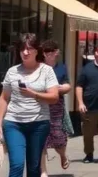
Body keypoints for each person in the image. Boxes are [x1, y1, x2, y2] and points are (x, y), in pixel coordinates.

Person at [0, 34, 60, 177]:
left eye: (29, 49)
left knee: (34, 167)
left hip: (39, 124)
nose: (25, 52)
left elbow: (54, 97)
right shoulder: (12, 71)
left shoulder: (46, 71)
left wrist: (34, 94)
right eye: (22, 49)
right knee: (17, 164)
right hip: (13, 123)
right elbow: (4, 98)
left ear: (37, 51)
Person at [37, 41, 71, 177]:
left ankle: (62, 155)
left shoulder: (61, 68)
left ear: (57, 52)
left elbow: (68, 85)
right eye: (46, 52)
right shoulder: (39, 68)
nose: (49, 55)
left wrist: (61, 88)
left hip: (56, 106)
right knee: (40, 138)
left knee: (58, 137)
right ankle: (43, 171)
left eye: (52, 52)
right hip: (41, 106)